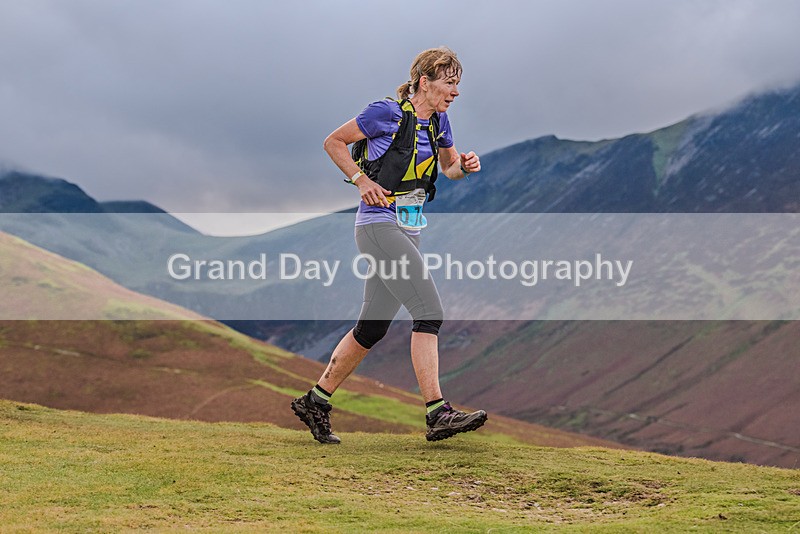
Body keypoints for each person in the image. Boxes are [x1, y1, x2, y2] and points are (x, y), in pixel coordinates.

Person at [291, 46, 486, 444]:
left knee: (372, 328)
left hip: (409, 229)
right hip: (379, 228)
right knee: (429, 312)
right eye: (449, 83)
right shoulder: (386, 112)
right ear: (424, 81)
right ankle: (437, 413)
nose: (455, 92)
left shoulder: (440, 123)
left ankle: (316, 401)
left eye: (458, 84)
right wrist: (362, 182)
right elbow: (333, 142)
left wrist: (463, 167)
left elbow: (448, 171)